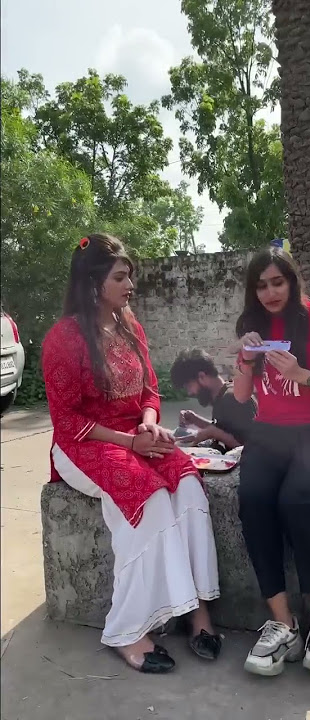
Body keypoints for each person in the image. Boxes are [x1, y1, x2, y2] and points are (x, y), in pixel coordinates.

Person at [42, 234, 221, 674]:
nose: (130, 286)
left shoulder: (129, 325)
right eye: (121, 277)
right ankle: (127, 630)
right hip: (84, 443)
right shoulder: (61, 339)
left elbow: (150, 390)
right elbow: (68, 422)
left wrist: (147, 420)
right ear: (92, 282)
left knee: (188, 484)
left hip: (132, 433)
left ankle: (195, 610)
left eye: (130, 277)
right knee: (147, 496)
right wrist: (130, 443)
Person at [234, 246, 310, 677]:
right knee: (253, 501)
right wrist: (247, 359)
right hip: (269, 435)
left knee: (298, 502)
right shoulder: (251, 327)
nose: (269, 292)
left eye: (277, 282)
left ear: (292, 281)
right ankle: (282, 622)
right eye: (260, 285)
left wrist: (302, 375)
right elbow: (242, 396)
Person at [170, 348, 256, 452]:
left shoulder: (232, 399)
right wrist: (196, 420)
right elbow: (226, 430)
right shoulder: (221, 397)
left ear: (201, 376)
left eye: (189, 386)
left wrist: (214, 433)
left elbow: (251, 448)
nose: (189, 393)